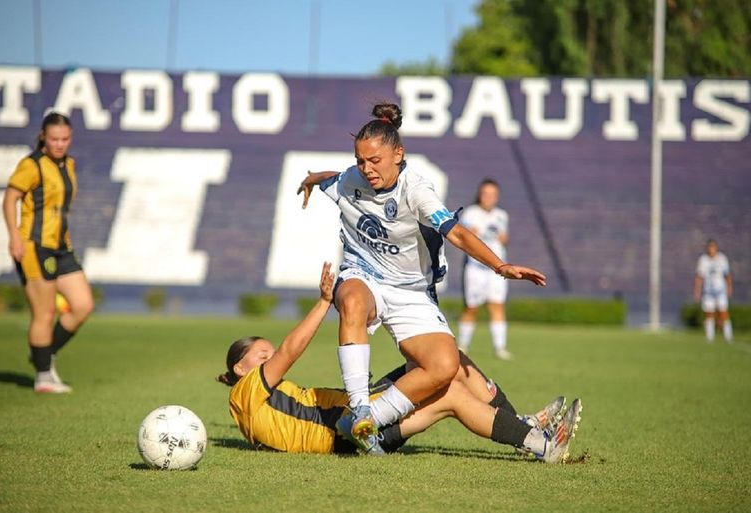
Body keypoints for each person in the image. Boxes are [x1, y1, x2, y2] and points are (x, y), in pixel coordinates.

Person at [297, 103, 547, 453]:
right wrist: (311, 179)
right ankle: (359, 407)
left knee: (446, 365)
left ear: (398, 154)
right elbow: (332, 179)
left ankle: (365, 421)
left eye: (375, 161)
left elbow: (456, 234)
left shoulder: (417, 190)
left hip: (412, 290)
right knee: (352, 300)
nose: (366, 169)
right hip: (364, 275)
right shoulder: (352, 178)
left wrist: (499, 266)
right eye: (360, 161)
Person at [217, 262, 582, 462]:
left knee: (447, 361)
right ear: (240, 369)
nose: (270, 359)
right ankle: (540, 443)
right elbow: (290, 350)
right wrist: (324, 302)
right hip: (346, 432)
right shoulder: (247, 392)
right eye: (261, 356)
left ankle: (522, 424)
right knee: (450, 391)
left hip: (351, 416)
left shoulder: (255, 404)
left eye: (267, 353)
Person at [2, 112, 94, 393]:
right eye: (54, 139)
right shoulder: (31, 165)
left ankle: (42, 353)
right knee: (44, 313)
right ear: (43, 136)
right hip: (34, 246)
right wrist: (14, 236)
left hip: (61, 247)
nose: (59, 144)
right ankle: (43, 376)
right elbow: (10, 199)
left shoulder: (70, 164)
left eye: (65, 139)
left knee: (82, 305)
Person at [457, 179, 512, 359]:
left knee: (496, 305)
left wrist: (503, 238)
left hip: (496, 269)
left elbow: (504, 240)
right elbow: (466, 236)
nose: (488, 198)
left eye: (492, 194)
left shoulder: (502, 215)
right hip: (476, 268)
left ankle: (500, 347)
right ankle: (463, 346)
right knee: (471, 307)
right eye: (485, 194)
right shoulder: (471, 213)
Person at [694, 239, 733, 343]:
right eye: (709, 247)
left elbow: (727, 274)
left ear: (716, 248)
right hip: (708, 291)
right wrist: (697, 290)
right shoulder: (703, 260)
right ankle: (710, 337)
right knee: (709, 313)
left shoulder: (722, 259)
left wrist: (729, 287)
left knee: (723, 312)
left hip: (720, 290)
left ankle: (728, 336)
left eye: (713, 247)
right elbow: (699, 276)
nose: (711, 249)